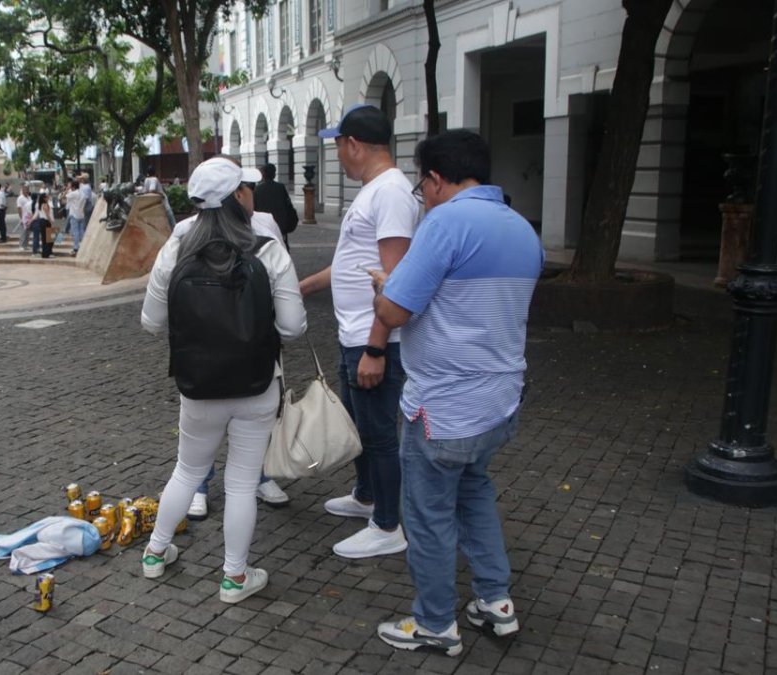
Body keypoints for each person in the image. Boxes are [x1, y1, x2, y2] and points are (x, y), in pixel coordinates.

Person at [369, 129, 541, 655]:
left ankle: (435, 624)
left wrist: (382, 286)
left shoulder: (446, 222)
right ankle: (495, 601)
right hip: (499, 402)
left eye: (423, 188)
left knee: (428, 515)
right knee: (474, 492)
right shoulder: (522, 228)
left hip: (442, 408)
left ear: (437, 179)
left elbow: (395, 311)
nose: (423, 198)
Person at [140, 157, 307, 603]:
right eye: (246, 188)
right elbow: (293, 327)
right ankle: (234, 578)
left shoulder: (175, 250)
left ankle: (156, 553)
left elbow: (150, 321)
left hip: (198, 385)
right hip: (256, 385)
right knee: (240, 483)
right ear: (238, 196)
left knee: (187, 469)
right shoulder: (267, 248)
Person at [299, 104, 418, 559]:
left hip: (372, 341)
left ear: (352, 144)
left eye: (337, 146)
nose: (338, 156)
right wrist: (304, 286)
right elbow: (352, 264)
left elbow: (396, 278)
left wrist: (376, 347)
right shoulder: (373, 191)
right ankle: (366, 494)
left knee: (378, 434)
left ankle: (387, 524)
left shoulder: (389, 193)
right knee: (357, 426)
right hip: (353, 336)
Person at [253, 163, 299, 247]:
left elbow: (254, 209)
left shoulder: (257, 189)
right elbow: (288, 206)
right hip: (280, 226)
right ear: (274, 174)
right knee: (282, 247)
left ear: (263, 174)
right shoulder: (280, 187)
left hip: (265, 227)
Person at [64, 180, 86, 256]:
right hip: (81, 215)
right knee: (81, 231)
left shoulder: (73, 193)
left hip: (74, 215)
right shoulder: (83, 194)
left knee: (75, 232)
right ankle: (83, 246)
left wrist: (67, 189)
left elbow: (63, 197)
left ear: (73, 186)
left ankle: (76, 248)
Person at [16, 185, 33, 251]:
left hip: (29, 216)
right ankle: (21, 245)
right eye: (25, 189)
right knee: (23, 231)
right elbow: (19, 208)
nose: (27, 191)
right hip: (23, 216)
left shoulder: (29, 197)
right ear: (22, 190)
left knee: (28, 232)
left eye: (27, 189)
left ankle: (26, 245)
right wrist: (21, 218)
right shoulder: (20, 198)